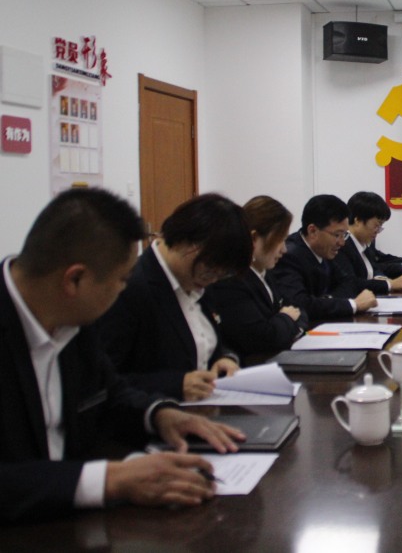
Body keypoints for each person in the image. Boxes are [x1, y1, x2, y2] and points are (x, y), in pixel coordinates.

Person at [0, 188, 244, 523]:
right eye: (121, 279)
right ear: (75, 279)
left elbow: (110, 392)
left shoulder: (71, 317)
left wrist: (160, 415)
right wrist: (108, 480)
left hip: (71, 521)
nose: (124, 289)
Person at [95, 194, 251, 402]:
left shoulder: (198, 283)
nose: (213, 278)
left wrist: (225, 358)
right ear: (185, 241)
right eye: (210, 267)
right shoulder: (131, 289)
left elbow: (202, 342)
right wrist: (175, 385)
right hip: (154, 415)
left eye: (222, 273)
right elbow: (102, 383)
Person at [209, 196, 309, 361]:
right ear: (254, 238)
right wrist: (286, 317)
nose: (284, 249)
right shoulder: (231, 279)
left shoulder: (265, 272)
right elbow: (263, 338)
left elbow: (299, 310)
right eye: (280, 240)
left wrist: (284, 320)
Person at [270, 194, 376, 322]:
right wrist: (353, 305)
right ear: (313, 231)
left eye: (344, 235)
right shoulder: (289, 256)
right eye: (337, 235)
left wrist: (327, 300)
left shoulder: (323, 250)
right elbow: (299, 305)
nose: (342, 243)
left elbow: (349, 282)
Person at [339, 191, 402, 280]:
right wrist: (390, 284)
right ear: (358, 220)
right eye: (376, 225)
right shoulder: (342, 245)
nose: (378, 231)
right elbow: (354, 282)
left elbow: (377, 263)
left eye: (380, 227)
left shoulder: (364, 241)